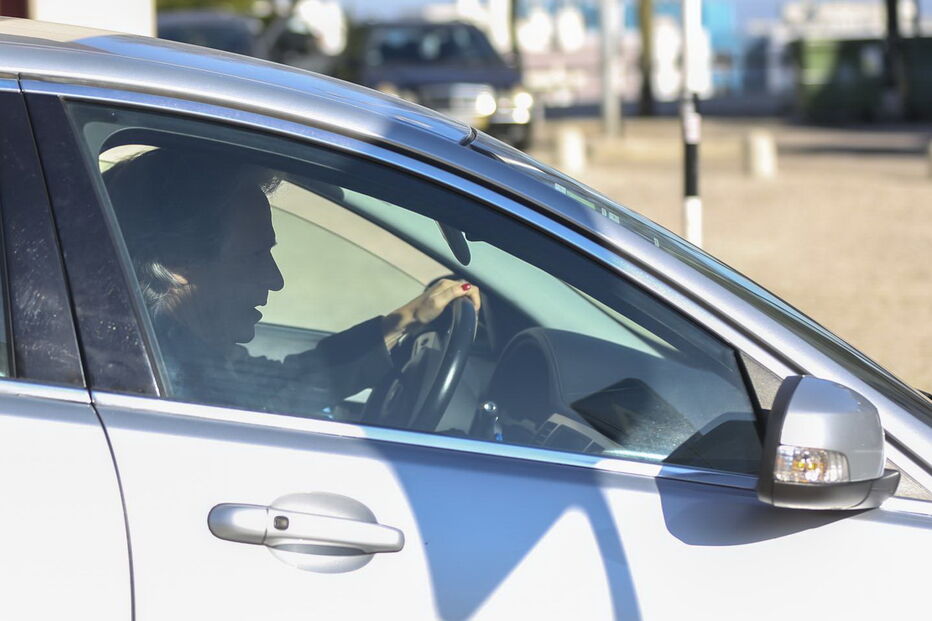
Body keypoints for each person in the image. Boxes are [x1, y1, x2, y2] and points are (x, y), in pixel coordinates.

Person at [102, 146, 480, 417]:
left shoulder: (172, 354)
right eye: (253, 256)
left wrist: (410, 317)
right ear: (178, 263)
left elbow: (277, 388)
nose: (275, 279)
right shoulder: (151, 381)